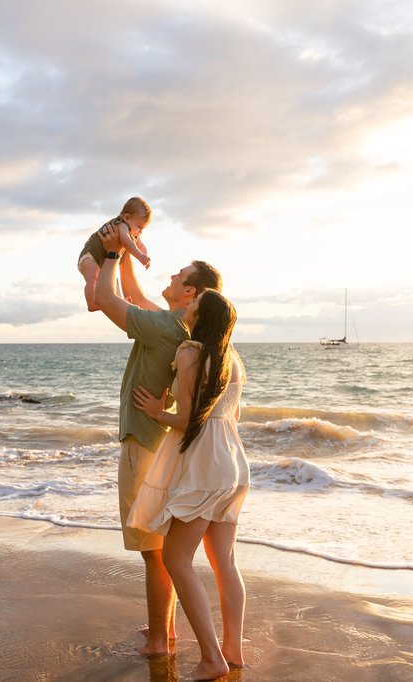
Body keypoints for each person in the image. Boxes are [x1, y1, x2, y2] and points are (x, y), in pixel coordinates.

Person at [93, 225, 222, 658]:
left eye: (178, 275)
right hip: (161, 444)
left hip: (142, 442)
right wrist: (127, 252)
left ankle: (158, 640)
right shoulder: (174, 328)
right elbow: (132, 292)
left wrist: (110, 255)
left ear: (192, 292)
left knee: (152, 549)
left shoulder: (165, 329)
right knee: (158, 546)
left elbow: (108, 300)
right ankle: (161, 630)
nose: (170, 277)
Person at [127, 289, 248, 680]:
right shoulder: (232, 358)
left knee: (176, 560)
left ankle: (212, 660)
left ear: (202, 315)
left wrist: (157, 411)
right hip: (232, 463)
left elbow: (189, 420)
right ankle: (232, 651)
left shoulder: (190, 352)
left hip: (203, 466)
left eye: (193, 304)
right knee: (224, 562)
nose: (186, 307)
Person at [78, 197, 152, 311]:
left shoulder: (133, 232)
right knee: (92, 278)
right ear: (127, 217)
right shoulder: (121, 225)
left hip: (104, 262)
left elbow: (140, 246)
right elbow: (127, 243)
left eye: (143, 229)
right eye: (139, 227)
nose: (140, 232)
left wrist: (145, 255)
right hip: (90, 257)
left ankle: (119, 301)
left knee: (113, 281)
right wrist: (140, 257)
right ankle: (91, 304)